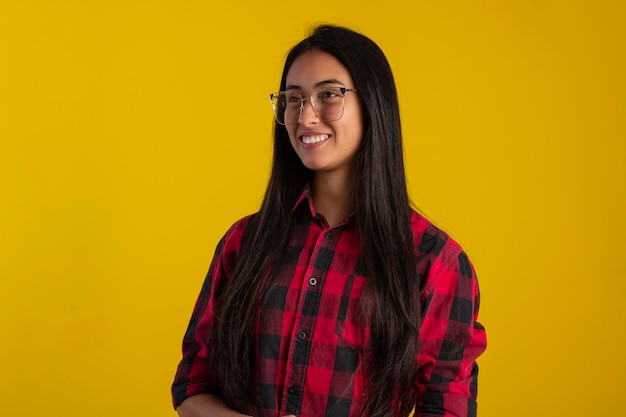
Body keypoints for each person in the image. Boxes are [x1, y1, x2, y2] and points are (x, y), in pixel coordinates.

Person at [172, 25, 487, 417]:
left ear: (373, 104)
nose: (305, 116)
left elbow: (446, 408)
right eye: (293, 99)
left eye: (328, 95)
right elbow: (192, 386)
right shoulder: (244, 242)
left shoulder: (435, 263)